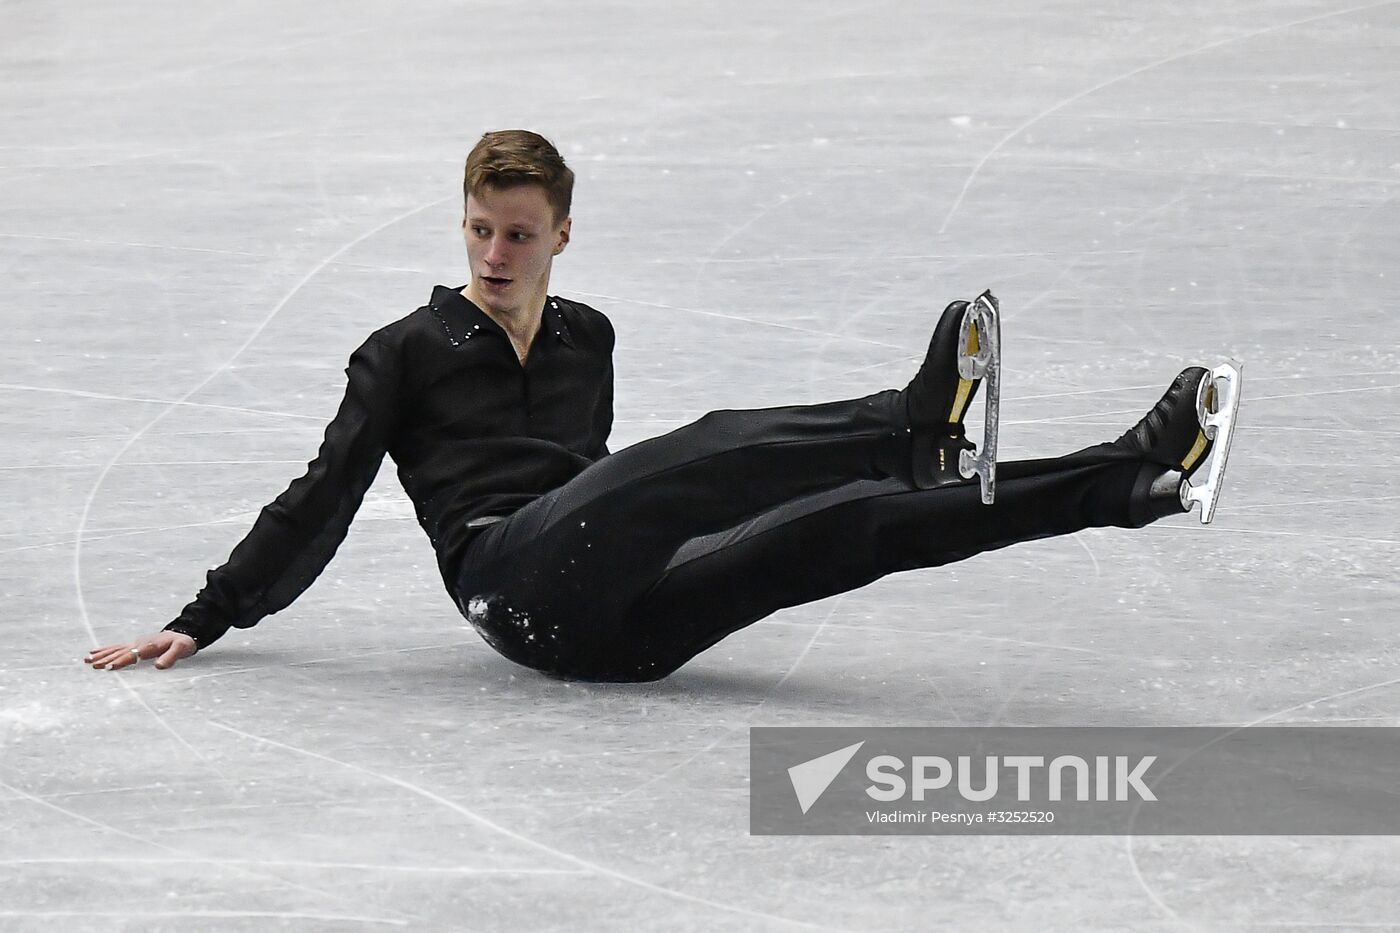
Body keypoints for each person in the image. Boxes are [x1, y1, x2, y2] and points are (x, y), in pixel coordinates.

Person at [83, 129, 1241, 682]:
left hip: (621, 631)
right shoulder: (402, 353)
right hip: (507, 585)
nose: (494, 252)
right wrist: (208, 615)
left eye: (518, 233)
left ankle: (1131, 481)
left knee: (855, 531)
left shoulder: (588, 337)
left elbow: (620, 501)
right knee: (701, 451)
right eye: (479, 228)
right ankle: (911, 418)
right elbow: (321, 495)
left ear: (560, 235)